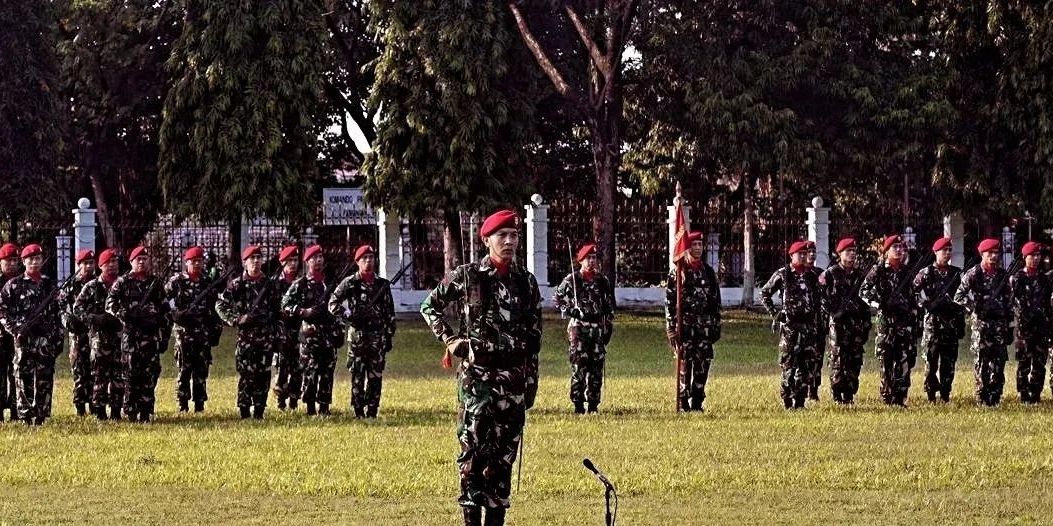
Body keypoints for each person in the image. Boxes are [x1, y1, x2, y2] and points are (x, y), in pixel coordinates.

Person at [420, 209, 542, 526]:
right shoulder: (469, 276)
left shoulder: (526, 283)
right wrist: (450, 338)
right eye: (502, 235)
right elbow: (429, 305)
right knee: (473, 457)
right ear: (486, 239)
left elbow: (534, 337)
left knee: (503, 459)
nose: (510, 241)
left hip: (513, 384)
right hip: (477, 383)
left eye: (514, 235)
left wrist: (531, 382)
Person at [0, 244, 63, 425]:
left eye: (38, 259)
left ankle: (41, 414)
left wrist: (57, 337)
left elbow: (58, 314)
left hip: (45, 339)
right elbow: (2, 312)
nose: (35, 262)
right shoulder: (13, 285)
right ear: (24, 262)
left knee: (44, 376)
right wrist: (16, 330)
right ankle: (25, 414)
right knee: (23, 376)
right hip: (24, 339)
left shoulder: (49, 286)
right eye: (31, 259)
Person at [106, 246, 169, 422]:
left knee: (150, 374)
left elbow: (165, 311)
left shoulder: (155, 283)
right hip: (131, 337)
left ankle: (146, 411)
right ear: (131, 262)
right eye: (138, 259)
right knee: (131, 374)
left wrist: (164, 335)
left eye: (144, 259)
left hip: (150, 336)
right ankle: (131, 410)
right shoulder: (123, 282)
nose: (141, 262)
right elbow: (110, 303)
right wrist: (125, 315)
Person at [216, 246, 280, 419]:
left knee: (263, 374)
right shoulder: (238, 284)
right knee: (246, 375)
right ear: (245, 262)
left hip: (265, 337)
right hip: (246, 338)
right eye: (252, 258)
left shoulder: (269, 284)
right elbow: (220, 305)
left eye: (259, 258)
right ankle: (244, 410)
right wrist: (237, 319)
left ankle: (259, 410)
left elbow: (277, 311)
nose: (256, 261)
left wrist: (277, 335)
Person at [553, 243, 614, 414]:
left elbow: (608, 305)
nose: (592, 261)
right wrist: (570, 310)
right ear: (580, 260)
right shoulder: (572, 279)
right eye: (588, 258)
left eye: (594, 257)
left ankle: (593, 404)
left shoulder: (602, 281)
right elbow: (558, 299)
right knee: (579, 366)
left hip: (597, 327)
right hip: (579, 328)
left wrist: (608, 326)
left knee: (596, 368)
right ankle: (578, 404)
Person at [282, 244, 343, 416]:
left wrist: (339, 327)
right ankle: (310, 407)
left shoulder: (330, 283)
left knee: (327, 371)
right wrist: (303, 311)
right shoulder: (300, 284)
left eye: (321, 257)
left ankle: (324, 406)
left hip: (328, 334)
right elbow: (285, 304)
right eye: (314, 258)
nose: (319, 261)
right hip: (310, 335)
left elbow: (338, 305)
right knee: (310, 371)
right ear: (307, 261)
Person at [860, 235, 920, 406]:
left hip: (904, 322)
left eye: (901, 247)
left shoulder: (907, 272)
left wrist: (913, 310)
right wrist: (879, 303)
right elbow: (863, 291)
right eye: (895, 247)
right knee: (886, 359)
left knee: (904, 359)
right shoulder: (878, 270)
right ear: (886, 251)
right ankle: (887, 395)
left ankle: (900, 397)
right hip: (886, 322)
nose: (899, 250)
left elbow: (914, 294)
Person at [664, 232, 721, 412]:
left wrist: (716, 325)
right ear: (687, 248)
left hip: (704, 327)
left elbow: (715, 301)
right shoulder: (678, 273)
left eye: (699, 244)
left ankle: (697, 401)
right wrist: (671, 327)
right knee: (684, 364)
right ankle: (683, 400)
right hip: (685, 327)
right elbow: (669, 302)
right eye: (693, 245)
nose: (697, 248)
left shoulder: (708, 272)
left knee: (702, 364)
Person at [761, 240, 821, 409]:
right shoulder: (783, 274)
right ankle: (788, 400)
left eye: (805, 254)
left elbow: (817, 299)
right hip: (790, 328)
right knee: (789, 365)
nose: (803, 257)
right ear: (792, 255)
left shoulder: (811, 276)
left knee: (806, 365)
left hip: (808, 327)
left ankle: (800, 402)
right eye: (799, 254)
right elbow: (764, 293)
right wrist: (775, 313)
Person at [955, 238, 1013, 406]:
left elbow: (1009, 301)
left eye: (996, 253)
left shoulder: (1002, 275)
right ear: (982, 254)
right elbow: (959, 296)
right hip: (981, 326)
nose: (994, 256)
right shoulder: (974, 273)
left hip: (999, 327)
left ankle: (995, 397)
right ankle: (982, 398)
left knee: (999, 362)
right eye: (990, 253)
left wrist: (1010, 326)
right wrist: (976, 307)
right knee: (982, 362)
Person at [166, 246, 223, 413]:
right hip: (184, 333)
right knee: (184, 369)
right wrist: (176, 314)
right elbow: (164, 300)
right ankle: (182, 403)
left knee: (201, 369)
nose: (197, 264)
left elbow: (215, 306)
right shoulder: (176, 281)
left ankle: (199, 403)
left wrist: (215, 328)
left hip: (203, 332)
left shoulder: (207, 281)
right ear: (186, 262)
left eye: (200, 261)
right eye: (193, 261)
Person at [818, 238, 872, 404]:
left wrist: (865, 323)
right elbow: (821, 297)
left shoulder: (860, 275)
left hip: (856, 324)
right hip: (838, 324)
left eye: (854, 251)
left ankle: (849, 393)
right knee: (838, 359)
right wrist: (832, 313)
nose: (852, 254)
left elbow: (866, 300)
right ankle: (837, 393)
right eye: (848, 251)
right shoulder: (831, 273)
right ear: (839, 254)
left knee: (854, 359)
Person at [74, 248, 125, 420]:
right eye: (107, 263)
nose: (111, 266)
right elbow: (77, 308)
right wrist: (93, 319)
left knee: (119, 375)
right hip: (99, 338)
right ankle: (100, 411)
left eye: (114, 262)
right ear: (100, 266)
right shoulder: (92, 286)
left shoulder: (124, 283)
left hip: (120, 337)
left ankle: (117, 410)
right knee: (100, 376)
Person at [913, 237, 966, 402]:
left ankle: (945, 394)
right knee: (931, 362)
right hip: (933, 326)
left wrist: (957, 310)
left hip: (950, 324)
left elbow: (963, 296)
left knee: (948, 364)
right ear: (936, 252)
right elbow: (913, 293)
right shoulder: (926, 273)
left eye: (949, 250)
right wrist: (927, 304)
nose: (947, 253)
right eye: (944, 250)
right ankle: (930, 395)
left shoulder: (956, 273)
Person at [1009, 241, 1049, 403]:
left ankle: (1036, 393)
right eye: (1032, 255)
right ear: (1025, 257)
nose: (1036, 258)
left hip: (1041, 328)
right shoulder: (1017, 279)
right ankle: (1024, 394)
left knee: (1040, 362)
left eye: (1038, 255)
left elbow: (1048, 303)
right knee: (1024, 363)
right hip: (1024, 329)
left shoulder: (1044, 279)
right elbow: (1011, 303)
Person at [272, 245, 302, 410]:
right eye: (289, 261)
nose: (293, 264)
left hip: (299, 330)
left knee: (298, 367)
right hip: (281, 331)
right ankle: (281, 400)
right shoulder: (275, 284)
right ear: (282, 262)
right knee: (282, 366)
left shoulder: (302, 282)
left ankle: (294, 400)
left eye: (295, 260)